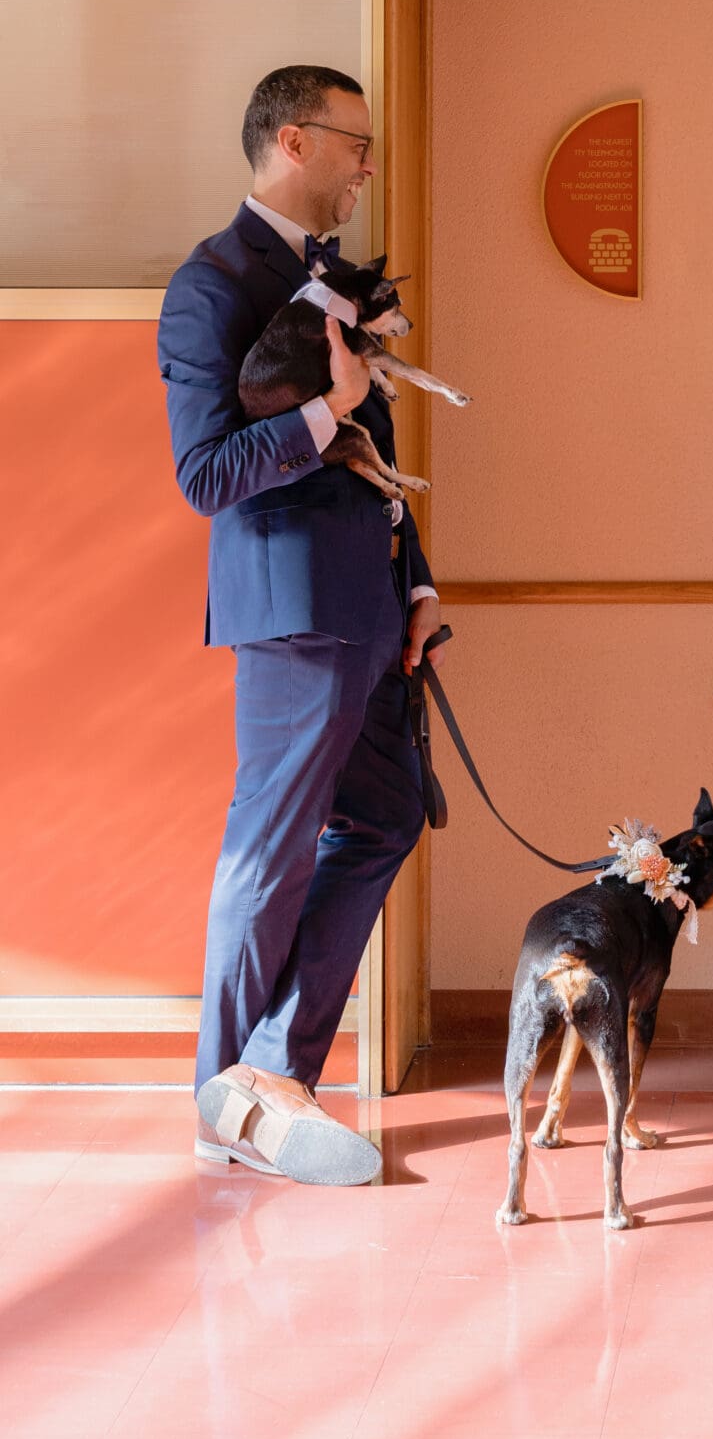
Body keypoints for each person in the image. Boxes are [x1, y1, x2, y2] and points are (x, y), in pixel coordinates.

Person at [158, 65, 442, 1184]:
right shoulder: (212, 283)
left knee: (386, 817)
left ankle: (270, 1072)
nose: (367, 165)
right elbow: (205, 475)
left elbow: (374, 452)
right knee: (268, 852)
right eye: (354, 143)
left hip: (371, 603)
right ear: (292, 139)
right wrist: (326, 407)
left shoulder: (330, 280)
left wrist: (416, 581)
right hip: (291, 609)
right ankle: (222, 1109)